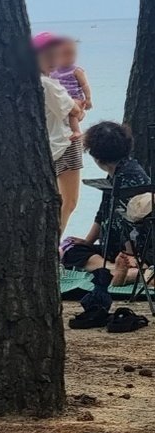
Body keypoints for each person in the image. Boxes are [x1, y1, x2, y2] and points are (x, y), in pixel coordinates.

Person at [63, 121, 151, 330]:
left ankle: (123, 270)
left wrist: (130, 253)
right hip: (115, 249)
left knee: (72, 254)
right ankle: (116, 269)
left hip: (135, 248)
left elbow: (132, 221)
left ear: (97, 157)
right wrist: (87, 241)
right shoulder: (116, 174)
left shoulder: (130, 178)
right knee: (70, 248)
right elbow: (102, 213)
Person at [36, 34, 85, 238]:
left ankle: (49, 243)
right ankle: (53, 244)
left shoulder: (31, 82)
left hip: (45, 146)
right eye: (47, 56)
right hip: (64, 144)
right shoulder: (48, 84)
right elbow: (75, 111)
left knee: (52, 201)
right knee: (69, 201)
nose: (53, 60)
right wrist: (78, 108)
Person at [44, 33, 93, 110]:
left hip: (75, 100)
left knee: (73, 113)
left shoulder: (76, 71)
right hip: (60, 100)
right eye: (65, 55)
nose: (70, 58)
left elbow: (85, 85)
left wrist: (88, 99)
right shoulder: (53, 70)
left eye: (72, 54)